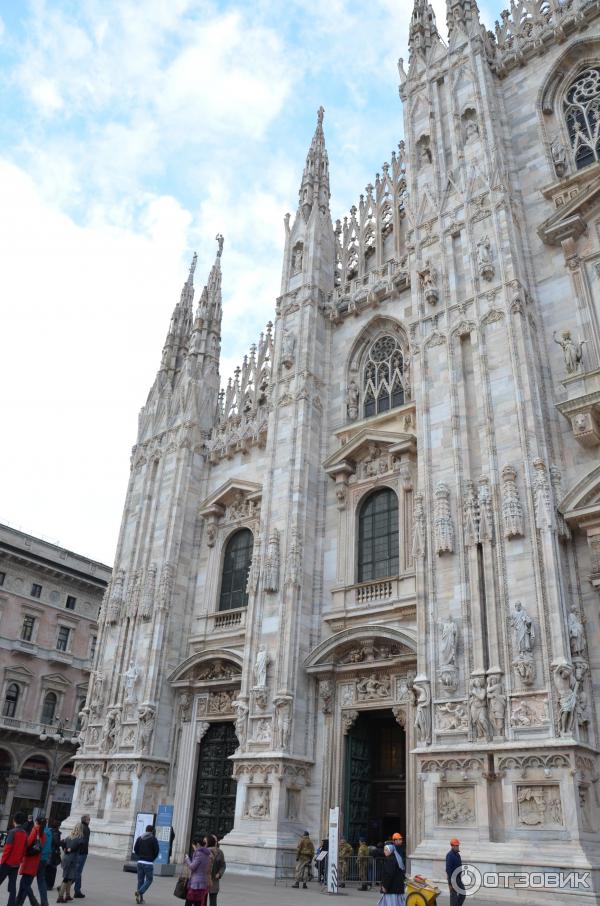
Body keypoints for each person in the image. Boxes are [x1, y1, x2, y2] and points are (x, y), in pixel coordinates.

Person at [16, 816, 47, 906]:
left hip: (29, 860)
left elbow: (28, 843)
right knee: (24, 884)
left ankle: (34, 902)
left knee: (25, 884)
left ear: (36, 822)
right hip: (36, 860)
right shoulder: (43, 833)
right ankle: (18, 902)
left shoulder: (35, 830)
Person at [0, 812, 28, 906]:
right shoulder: (24, 833)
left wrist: (2, 861)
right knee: (12, 886)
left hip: (7, 863)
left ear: (14, 820)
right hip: (16, 864)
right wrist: (20, 860)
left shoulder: (12, 832)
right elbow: (24, 849)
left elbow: (7, 849)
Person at [57, 824, 85, 903]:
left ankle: (68, 895)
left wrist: (65, 849)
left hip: (65, 858)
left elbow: (61, 843)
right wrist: (71, 849)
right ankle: (60, 896)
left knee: (70, 877)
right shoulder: (80, 839)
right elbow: (80, 848)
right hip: (72, 860)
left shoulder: (68, 837)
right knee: (66, 878)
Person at [133, 824, 159, 904]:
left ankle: (140, 899)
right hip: (148, 863)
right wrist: (152, 859)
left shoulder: (139, 838)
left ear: (146, 830)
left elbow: (135, 849)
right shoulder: (153, 839)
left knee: (140, 881)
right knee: (149, 880)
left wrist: (140, 856)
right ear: (152, 831)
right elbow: (157, 851)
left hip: (140, 862)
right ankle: (139, 892)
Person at [184, 834, 212, 905]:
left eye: (193, 845)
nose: (193, 847)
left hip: (196, 883)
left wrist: (187, 859)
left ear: (198, 844)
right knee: (198, 902)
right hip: (203, 882)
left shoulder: (199, 854)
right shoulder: (206, 854)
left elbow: (192, 867)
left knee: (189, 902)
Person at [379, 841, 405, 906]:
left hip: (392, 889)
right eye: (384, 849)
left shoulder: (390, 860)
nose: (384, 851)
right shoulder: (396, 858)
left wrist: (385, 886)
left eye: (386, 850)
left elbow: (389, 874)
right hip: (397, 888)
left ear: (390, 850)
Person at [204, 834, 225, 906]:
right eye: (214, 841)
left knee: (213, 902)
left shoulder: (220, 852)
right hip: (204, 880)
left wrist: (219, 873)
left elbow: (223, 865)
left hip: (214, 881)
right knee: (202, 901)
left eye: (216, 840)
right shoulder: (204, 852)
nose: (216, 842)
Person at [73, 816, 90, 898]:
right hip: (81, 852)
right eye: (88, 819)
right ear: (84, 820)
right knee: (78, 872)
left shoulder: (84, 827)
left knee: (77, 871)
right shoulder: (84, 828)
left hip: (81, 852)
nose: (89, 821)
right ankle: (77, 890)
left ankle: (64, 885)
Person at [37, 818, 53, 906]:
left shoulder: (41, 833)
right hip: (45, 858)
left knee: (26, 882)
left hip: (38, 858)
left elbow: (37, 846)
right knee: (41, 881)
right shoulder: (49, 832)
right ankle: (44, 901)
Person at [446, 838, 465, 906]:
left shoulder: (457, 855)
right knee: (453, 897)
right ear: (452, 846)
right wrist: (450, 883)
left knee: (463, 893)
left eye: (458, 845)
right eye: (456, 846)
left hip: (458, 878)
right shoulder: (449, 855)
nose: (457, 847)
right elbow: (448, 870)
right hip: (453, 879)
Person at [44, 825, 61, 893]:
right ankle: (49, 885)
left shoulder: (47, 832)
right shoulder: (56, 833)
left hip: (48, 852)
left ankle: (46, 884)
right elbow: (57, 843)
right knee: (52, 870)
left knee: (47, 869)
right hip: (53, 854)